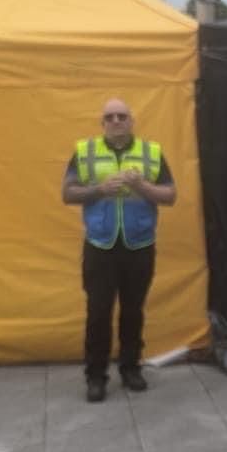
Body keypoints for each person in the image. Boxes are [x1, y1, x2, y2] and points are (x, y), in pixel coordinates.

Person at [62, 97, 177, 402]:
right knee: (98, 312)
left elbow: (169, 195)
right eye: (110, 117)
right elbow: (67, 193)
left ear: (131, 121)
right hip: (100, 245)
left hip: (139, 245)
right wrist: (99, 190)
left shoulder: (151, 153)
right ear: (102, 123)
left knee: (133, 310)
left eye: (121, 116)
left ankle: (131, 369)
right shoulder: (85, 152)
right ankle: (96, 377)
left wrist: (142, 187)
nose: (116, 121)